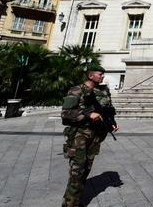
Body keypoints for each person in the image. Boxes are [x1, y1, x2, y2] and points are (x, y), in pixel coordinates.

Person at [61, 63, 119, 207]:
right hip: (79, 136)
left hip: (95, 136)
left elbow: (107, 110)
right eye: (100, 74)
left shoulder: (101, 91)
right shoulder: (76, 90)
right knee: (77, 173)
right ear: (90, 75)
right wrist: (87, 115)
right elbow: (65, 114)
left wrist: (112, 123)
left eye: (102, 74)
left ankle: (75, 200)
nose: (102, 76)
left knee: (85, 170)